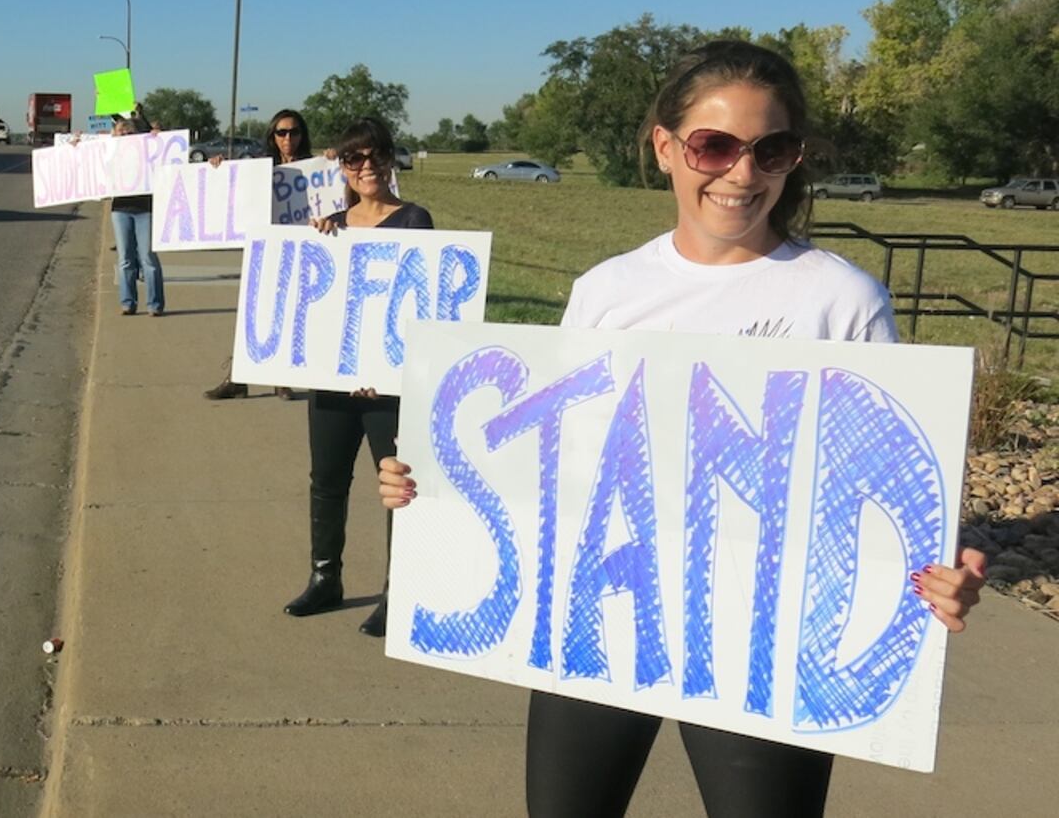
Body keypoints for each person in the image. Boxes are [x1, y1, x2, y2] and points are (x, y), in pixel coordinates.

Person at [374, 40, 988, 817]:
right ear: (667, 148)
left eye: (772, 150)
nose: (742, 173)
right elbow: (549, 461)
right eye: (715, 145)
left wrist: (940, 578)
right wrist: (428, 484)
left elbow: (888, 487)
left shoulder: (841, 300)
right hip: (598, 619)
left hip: (762, 642)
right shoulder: (608, 291)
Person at [285, 115, 434, 638]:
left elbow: (421, 303)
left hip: (386, 388)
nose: (367, 167)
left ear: (391, 160)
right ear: (343, 167)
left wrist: (384, 367)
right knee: (326, 481)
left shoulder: (414, 219)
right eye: (355, 159)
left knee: (394, 485)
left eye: (376, 156)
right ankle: (325, 577)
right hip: (332, 380)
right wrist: (319, 238)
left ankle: (399, 592)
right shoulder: (333, 226)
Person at [204, 108, 319, 401]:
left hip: (302, 253)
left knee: (289, 314)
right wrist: (218, 166)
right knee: (252, 315)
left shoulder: (316, 170)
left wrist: (333, 163)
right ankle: (238, 379)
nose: (288, 138)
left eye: (294, 132)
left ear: (302, 135)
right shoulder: (260, 166)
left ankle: (282, 380)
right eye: (281, 132)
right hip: (265, 251)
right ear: (272, 136)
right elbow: (233, 189)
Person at [109, 105, 164, 316]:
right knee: (125, 258)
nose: (124, 133)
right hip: (120, 209)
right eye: (120, 130)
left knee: (148, 257)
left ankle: (155, 304)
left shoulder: (147, 148)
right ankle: (128, 302)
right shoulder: (110, 151)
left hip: (145, 208)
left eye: (128, 131)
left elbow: (156, 141)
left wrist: (143, 120)